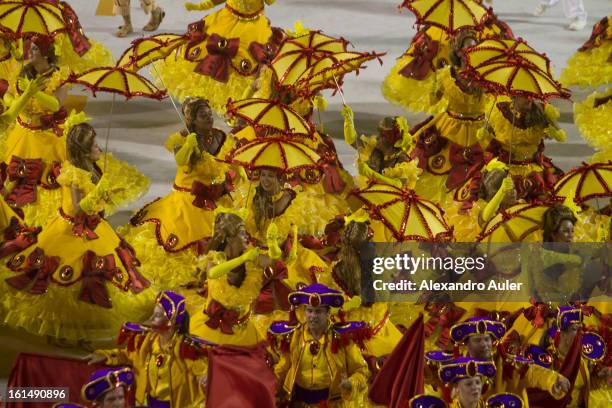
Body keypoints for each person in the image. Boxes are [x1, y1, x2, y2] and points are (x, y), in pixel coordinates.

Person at [0, 117, 153, 342]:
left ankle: (75, 334)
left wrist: (107, 193)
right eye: (94, 146)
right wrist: (98, 194)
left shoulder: (92, 167)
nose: (99, 148)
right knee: (67, 280)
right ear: (83, 151)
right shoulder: (73, 174)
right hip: (70, 231)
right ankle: (63, 332)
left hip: (94, 227)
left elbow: (95, 206)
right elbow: (77, 207)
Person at [123, 97, 239, 289]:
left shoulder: (221, 137)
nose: (209, 118)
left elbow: (232, 165)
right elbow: (180, 160)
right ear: (192, 120)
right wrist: (188, 146)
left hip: (215, 199)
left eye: (209, 113)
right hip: (187, 201)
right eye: (203, 116)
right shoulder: (182, 139)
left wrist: (231, 179)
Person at [84, 291, 211, 408]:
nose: (150, 319)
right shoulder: (145, 342)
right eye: (153, 314)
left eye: (157, 316)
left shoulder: (187, 349)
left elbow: (203, 370)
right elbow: (127, 355)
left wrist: (206, 375)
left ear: (172, 323)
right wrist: (105, 355)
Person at [152, 0, 278, 114]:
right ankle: (207, 98)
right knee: (209, 51)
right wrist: (199, 6)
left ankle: (242, 101)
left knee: (246, 60)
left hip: (254, 28)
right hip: (225, 20)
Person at [270, 283, 369, 407]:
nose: (313, 316)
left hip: (332, 404)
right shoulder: (295, 336)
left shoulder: (343, 339)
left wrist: (350, 384)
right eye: (309, 311)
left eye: (318, 312)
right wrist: (269, 383)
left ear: (328, 313)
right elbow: (283, 367)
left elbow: (361, 371)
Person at [450, 317, 571, 406]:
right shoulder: (457, 373)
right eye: (477, 340)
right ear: (466, 345)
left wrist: (554, 380)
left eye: (487, 339)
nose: (484, 345)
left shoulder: (508, 364)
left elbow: (534, 374)